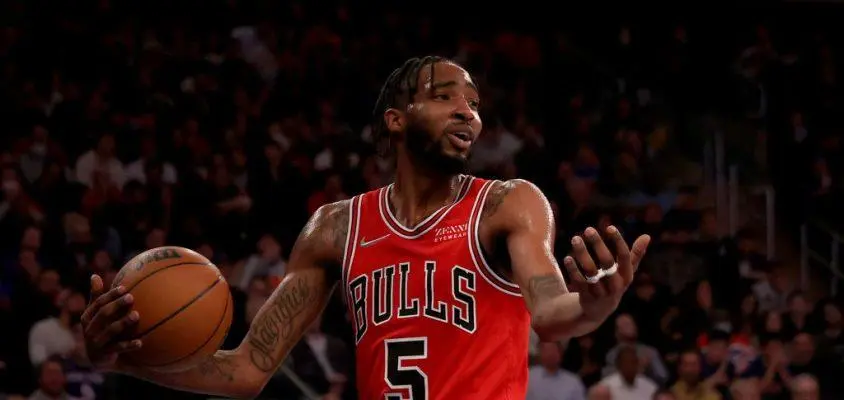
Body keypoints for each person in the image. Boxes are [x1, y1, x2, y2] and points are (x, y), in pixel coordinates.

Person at [79, 56, 650, 399]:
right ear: (396, 121)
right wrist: (122, 360)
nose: (468, 112)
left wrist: (595, 306)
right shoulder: (335, 228)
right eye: (444, 96)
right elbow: (247, 369)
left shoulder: (508, 205)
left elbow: (550, 310)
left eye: (473, 103)